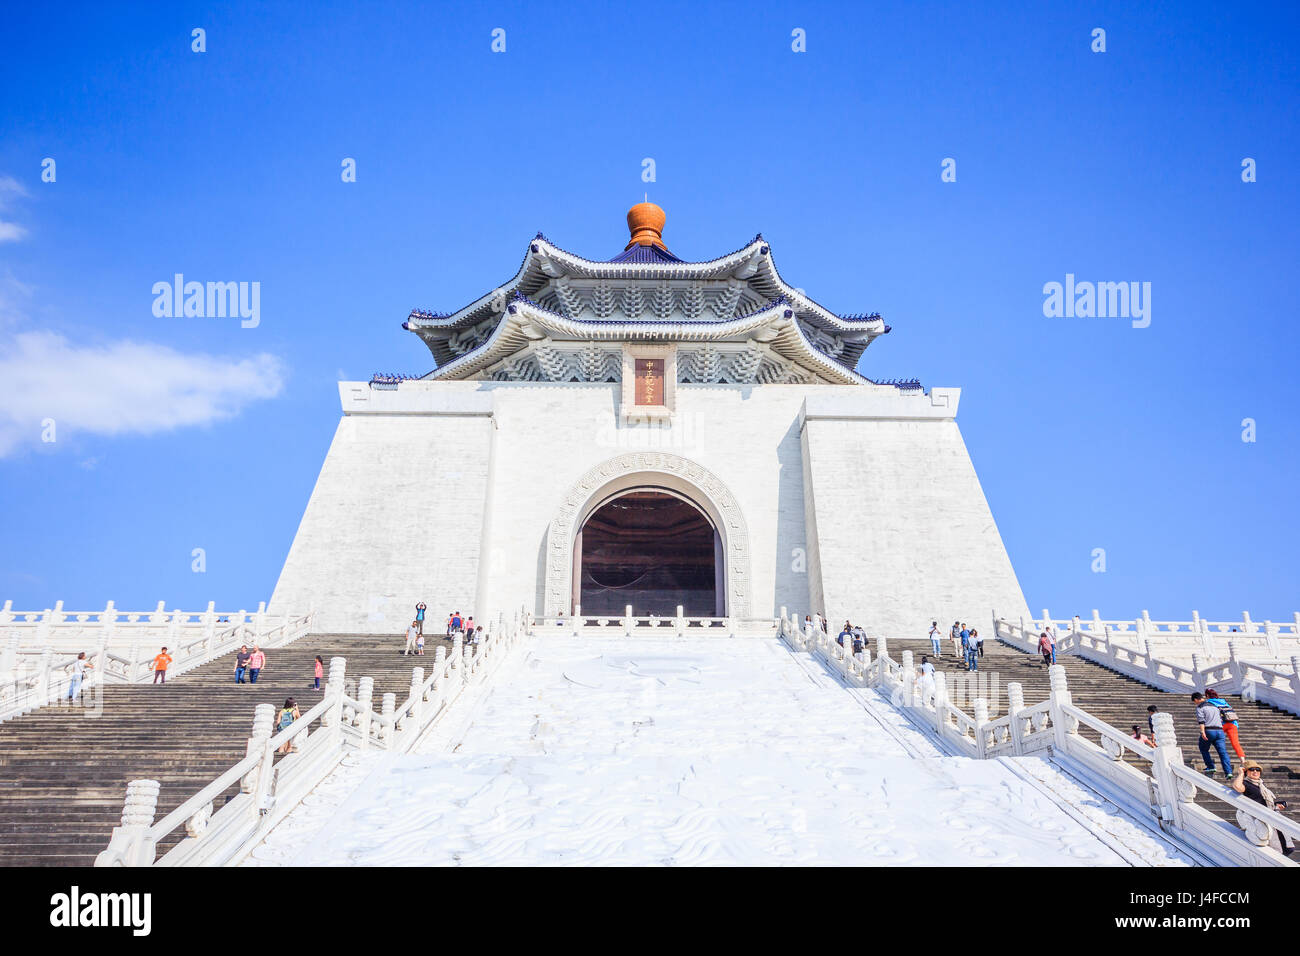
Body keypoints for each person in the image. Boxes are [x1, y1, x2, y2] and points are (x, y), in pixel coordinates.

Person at [1231, 760, 1290, 855]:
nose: (1255, 772)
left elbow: (1264, 801)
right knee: (1273, 848)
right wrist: (1241, 773)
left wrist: (1276, 805)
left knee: (1283, 844)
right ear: (1246, 772)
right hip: (1260, 819)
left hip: (1270, 815)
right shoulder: (1246, 783)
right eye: (1252, 769)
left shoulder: (1261, 785)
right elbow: (1237, 786)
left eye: (1258, 769)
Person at [1192, 691, 1233, 777]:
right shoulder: (1215, 706)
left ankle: (1210, 766)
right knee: (1223, 752)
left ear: (1196, 699)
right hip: (1219, 731)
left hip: (1209, 730)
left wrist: (1202, 732)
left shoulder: (1200, 707)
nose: (1195, 703)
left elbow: (1201, 720)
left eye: (1194, 702)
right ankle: (1228, 772)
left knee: (1203, 748)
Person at [1205, 687, 1245, 762]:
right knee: (1235, 743)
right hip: (1232, 723)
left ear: (1207, 695)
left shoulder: (1208, 703)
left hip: (1220, 725)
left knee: (1207, 741)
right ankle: (1243, 760)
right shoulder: (1224, 701)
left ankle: (1210, 761)